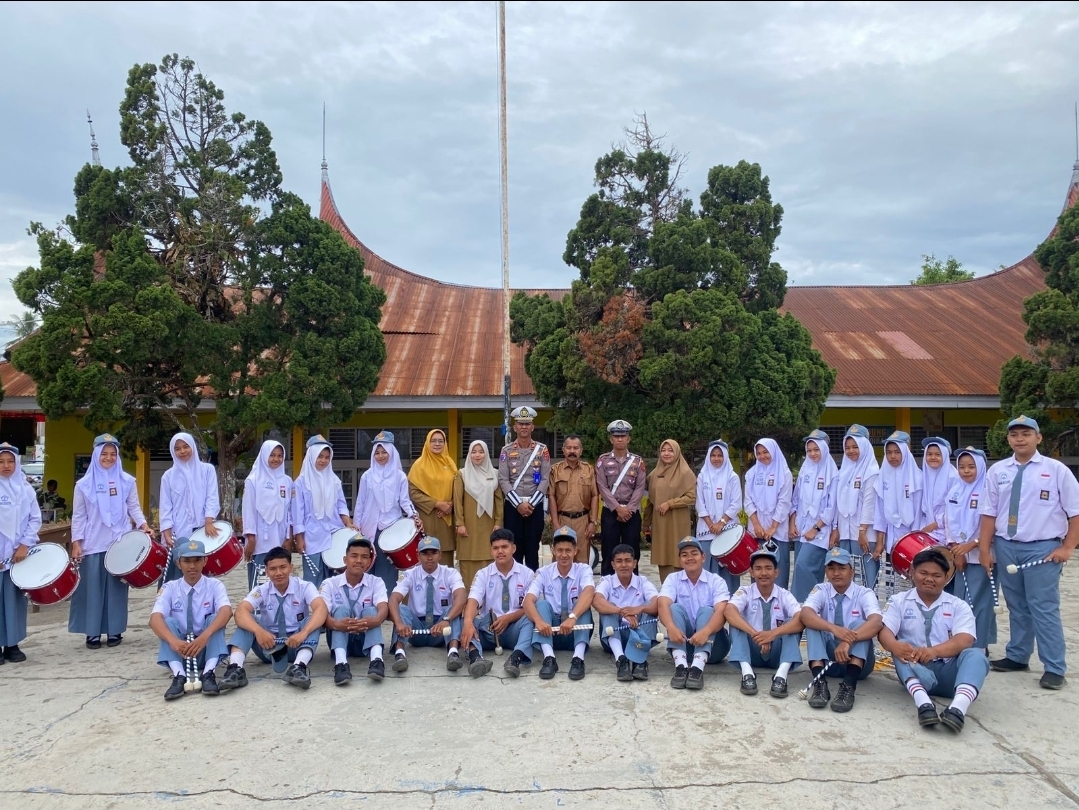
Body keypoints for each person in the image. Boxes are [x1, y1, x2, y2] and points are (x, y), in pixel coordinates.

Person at [979, 415, 1079, 690]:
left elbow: (1075, 512)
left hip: (1043, 548)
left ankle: (1054, 666)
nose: (1020, 439)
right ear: (1008, 439)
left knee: (1043, 607)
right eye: (1014, 435)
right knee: (1017, 605)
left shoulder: (1056, 470)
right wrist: (985, 549)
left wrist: (1067, 547)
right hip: (1007, 545)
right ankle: (1018, 655)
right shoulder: (998, 470)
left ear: (1038, 437)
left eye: (1026, 433)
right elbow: (988, 513)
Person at [878, 546, 990, 732]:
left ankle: (957, 710)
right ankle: (924, 705)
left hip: (949, 672)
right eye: (923, 573)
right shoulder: (898, 601)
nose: (929, 579)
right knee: (901, 651)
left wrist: (933, 652)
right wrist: (894, 645)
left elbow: (965, 639)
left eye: (937, 575)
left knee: (977, 655)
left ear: (947, 578)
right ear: (912, 572)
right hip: (915, 670)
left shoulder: (958, 605)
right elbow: (885, 631)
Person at [69, 433, 153, 649]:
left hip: (119, 543)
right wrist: (77, 542)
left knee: (116, 589)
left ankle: (115, 630)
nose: (108, 458)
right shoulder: (84, 485)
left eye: (112, 454)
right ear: (96, 454)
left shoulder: (127, 481)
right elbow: (78, 515)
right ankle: (92, 632)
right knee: (93, 589)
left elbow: (134, 506)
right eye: (104, 454)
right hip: (93, 542)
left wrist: (143, 525)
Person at [220, 546, 328, 691]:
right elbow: (240, 612)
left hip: (296, 644)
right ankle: (235, 669)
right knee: (247, 621)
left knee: (311, 622)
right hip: (268, 646)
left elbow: (321, 608)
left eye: (283, 567)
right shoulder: (261, 590)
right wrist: (259, 631)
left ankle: (299, 667)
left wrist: (303, 633)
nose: (278, 573)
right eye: (273, 569)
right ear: (267, 570)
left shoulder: (304, 587)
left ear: (291, 567)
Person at [799, 546, 883, 713]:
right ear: (826, 571)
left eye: (842, 568)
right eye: (831, 568)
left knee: (860, 624)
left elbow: (876, 622)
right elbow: (805, 614)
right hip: (828, 659)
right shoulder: (821, 589)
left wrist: (847, 640)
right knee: (815, 624)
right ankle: (819, 682)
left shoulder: (864, 593)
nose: (836, 573)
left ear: (852, 571)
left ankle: (848, 686)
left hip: (858, 663)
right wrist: (834, 629)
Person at [149, 539, 232, 700]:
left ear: (205, 561)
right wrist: (173, 641)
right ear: (178, 563)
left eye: (197, 560)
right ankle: (179, 675)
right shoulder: (169, 587)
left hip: (205, 648)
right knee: (168, 622)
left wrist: (205, 636)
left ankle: (208, 673)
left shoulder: (214, 585)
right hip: (180, 650)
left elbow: (227, 611)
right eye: (187, 561)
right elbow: (154, 619)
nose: (192, 566)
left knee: (215, 619)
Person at [724, 548, 803, 698]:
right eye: (758, 568)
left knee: (791, 623)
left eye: (768, 568)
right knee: (737, 622)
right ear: (751, 573)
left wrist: (772, 634)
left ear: (776, 572)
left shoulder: (784, 594)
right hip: (752, 649)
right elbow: (729, 611)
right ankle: (747, 674)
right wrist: (757, 635)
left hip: (778, 653)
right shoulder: (745, 591)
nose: (764, 573)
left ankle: (781, 676)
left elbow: (801, 619)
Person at [459, 528, 536, 678]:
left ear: (513, 548)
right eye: (495, 548)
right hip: (490, 629)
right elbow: (473, 600)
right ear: (491, 551)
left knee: (530, 619)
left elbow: (529, 606)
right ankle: (476, 658)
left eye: (504, 547)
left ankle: (515, 658)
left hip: (514, 629)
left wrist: (509, 618)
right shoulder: (483, 574)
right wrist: (468, 623)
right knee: (467, 619)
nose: (500, 551)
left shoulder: (527, 574)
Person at [658, 537, 732, 690]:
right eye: (684, 555)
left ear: (703, 557)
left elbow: (722, 611)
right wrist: (671, 627)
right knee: (674, 608)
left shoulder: (716, 581)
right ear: (679, 559)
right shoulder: (673, 579)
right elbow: (662, 604)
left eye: (694, 553)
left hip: (714, 648)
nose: (689, 558)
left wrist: (706, 631)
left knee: (707, 611)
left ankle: (697, 668)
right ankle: (681, 667)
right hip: (683, 645)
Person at [354, 431, 422, 595]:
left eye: (384, 452)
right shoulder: (367, 476)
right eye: (377, 452)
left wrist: (414, 515)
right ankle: (367, 610)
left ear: (391, 453)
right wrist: (356, 526)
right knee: (366, 567)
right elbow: (360, 503)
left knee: (387, 572)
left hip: (391, 528)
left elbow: (404, 500)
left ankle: (386, 610)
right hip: (369, 528)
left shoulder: (400, 476)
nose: (380, 456)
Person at [523, 526, 595, 681]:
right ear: (552, 550)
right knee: (541, 604)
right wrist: (539, 621)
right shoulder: (543, 572)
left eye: (568, 550)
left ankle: (578, 658)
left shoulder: (584, 570)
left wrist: (573, 617)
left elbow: (589, 592)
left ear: (575, 551)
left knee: (584, 607)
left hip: (575, 630)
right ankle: (549, 658)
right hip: (551, 631)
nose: (564, 555)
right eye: (560, 550)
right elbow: (528, 601)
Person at [944, 447, 996, 652]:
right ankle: (966, 640)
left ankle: (979, 647)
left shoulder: (988, 490)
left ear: (981, 467)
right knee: (963, 602)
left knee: (980, 603)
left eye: (971, 467)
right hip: (960, 555)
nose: (966, 471)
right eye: (962, 467)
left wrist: (972, 545)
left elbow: (991, 523)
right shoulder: (955, 489)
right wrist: (955, 549)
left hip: (981, 554)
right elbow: (949, 521)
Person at [388, 536, 467, 673]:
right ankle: (399, 654)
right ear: (418, 555)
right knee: (401, 609)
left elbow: (461, 596)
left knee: (452, 609)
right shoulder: (410, 574)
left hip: (442, 629)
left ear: (440, 555)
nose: (429, 557)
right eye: (425, 553)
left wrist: (446, 620)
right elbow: (394, 598)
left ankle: (453, 653)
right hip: (415, 630)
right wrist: (399, 623)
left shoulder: (450, 573)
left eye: (433, 553)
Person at [319, 536, 389, 684]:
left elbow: (383, 607)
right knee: (341, 610)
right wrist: (337, 624)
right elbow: (321, 614)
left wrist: (375, 620)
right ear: (345, 559)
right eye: (354, 556)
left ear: (369, 561)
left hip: (365, 636)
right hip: (339, 635)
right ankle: (341, 664)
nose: (359, 560)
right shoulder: (329, 583)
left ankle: (377, 660)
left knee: (371, 611)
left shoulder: (376, 582)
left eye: (364, 557)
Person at [292, 434, 354, 588]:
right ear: (311, 456)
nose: (323, 460)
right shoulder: (300, 483)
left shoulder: (334, 480)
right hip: (312, 536)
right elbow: (297, 513)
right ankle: (313, 610)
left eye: (327, 457)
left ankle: (331, 610)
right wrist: (299, 538)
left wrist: (348, 522)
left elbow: (341, 505)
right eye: (320, 456)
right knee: (312, 578)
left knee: (334, 578)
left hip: (334, 533)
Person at [159, 432, 221, 584]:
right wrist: (166, 532)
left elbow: (211, 497)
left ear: (192, 446)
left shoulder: (207, 470)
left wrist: (208, 521)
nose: (182, 451)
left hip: (202, 529)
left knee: (201, 570)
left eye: (186, 446)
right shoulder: (168, 476)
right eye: (178, 448)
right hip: (179, 531)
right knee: (177, 574)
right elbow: (165, 506)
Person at [592, 543, 660, 681]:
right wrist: (622, 611)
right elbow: (597, 601)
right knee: (608, 608)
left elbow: (658, 605)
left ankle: (639, 662)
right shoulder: (607, 581)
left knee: (649, 607)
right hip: (613, 636)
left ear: (634, 563)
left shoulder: (643, 582)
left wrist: (639, 609)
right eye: (619, 561)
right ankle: (621, 660)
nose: (624, 565)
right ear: (613, 564)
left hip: (638, 634)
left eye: (628, 561)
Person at [0, 443, 42, 663]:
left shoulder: (25, 489)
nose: (6, 466)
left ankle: (12, 644)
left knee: (14, 601)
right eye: (1, 461)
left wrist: (24, 545)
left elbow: (35, 519)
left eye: (10, 461)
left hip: (18, 556)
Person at [497, 407, 551, 571]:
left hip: (534, 506)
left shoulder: (542, 450)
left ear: (533, 427)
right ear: (515, 427)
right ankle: (516, 586)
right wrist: (518, 504)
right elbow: (503, 479)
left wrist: (532, 504)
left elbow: (545, 479)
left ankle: (532, 588)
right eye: (521, 424)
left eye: (527, 424)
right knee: (515, 546)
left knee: (533, 547)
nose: (524, 427)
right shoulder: (506, 451)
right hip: (513, 506)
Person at [789, 430, 838, 601]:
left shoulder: (832, 473)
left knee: (804, 567)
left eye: (816, 449)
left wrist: (816, 528)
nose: (812, 454)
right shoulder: (805, 471)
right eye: (809, 450)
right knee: (804, 569)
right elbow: (795, 499)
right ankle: (811, 608)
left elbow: (832, 507)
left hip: (819, 532)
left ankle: (802, 607)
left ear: (824, 449)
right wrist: (792, 522)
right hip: (801, 530)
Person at [595, 420, 647, 576]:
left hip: (632, 513)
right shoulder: (603, 460)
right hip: (611, 512)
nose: (619, 439)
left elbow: (640, 487)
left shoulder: (637, 461)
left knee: (633, 551)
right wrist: (617, 508)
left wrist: (628, 509)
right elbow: (602, 486)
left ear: (628, 438)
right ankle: (606, 587)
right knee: (608, 550)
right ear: (611, 439)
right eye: (616, 436)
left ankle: (634, 586)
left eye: (623, 436)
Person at [833, 424, 881, 590]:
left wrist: (862, 531)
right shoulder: (844, 471)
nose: (851, 451)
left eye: (855, 447)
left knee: (867, 578)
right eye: (847, 448)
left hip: (865, 535)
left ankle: (869, 611)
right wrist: (837, 528)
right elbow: (839, 503)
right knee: (848, 576)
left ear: (864, 447)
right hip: (846, 533)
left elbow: (870, 503)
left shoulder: (872, 471)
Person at [643, 439, 697, 584]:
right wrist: (646, 523)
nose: (666, 453)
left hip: (678, 521)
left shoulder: (685, 473)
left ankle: (683, 591)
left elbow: (691, 498)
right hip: (660, 522)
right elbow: (650, 500)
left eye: (670, 450)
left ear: (677, 452)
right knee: (663, 556)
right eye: (663, 450)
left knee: (679, 555)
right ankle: (667, 592)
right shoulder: (654, 474)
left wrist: (670, 503)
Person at [241, 440, 292, 591]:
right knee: (260, 583)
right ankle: (257, 614)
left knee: (280, 580)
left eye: (280, 455)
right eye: (272, 455)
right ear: (264, 456)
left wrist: (289, 538)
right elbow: (248, 510)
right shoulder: (253, 480)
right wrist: (250, 538)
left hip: (280, 540)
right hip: (260, 542)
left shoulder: (287, 481)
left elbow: (289, 511)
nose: (276, 459)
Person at [453, 440, 504, 591]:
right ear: (469, 454)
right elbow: (457, 501)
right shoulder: (461, 474)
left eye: (481, 452)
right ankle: (469, 604)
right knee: (468, 564)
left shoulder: (494, 474)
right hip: (468, 526)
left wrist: (498, 522)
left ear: (486, 453)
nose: (477, 455)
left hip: (489, 525)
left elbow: (499, 501)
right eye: (473, 452)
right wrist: (459, 523)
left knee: (490, 559)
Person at [744, 438, 794, 589]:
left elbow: (784, 502)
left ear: (773, 451)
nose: (762, 456)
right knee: (758, 571)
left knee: (779, 571)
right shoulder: (751, 474)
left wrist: (773, 527)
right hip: (757, 532)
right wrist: (757, 525)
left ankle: (780, 609)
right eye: (758, 453)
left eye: (765, 452)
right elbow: (748, 501)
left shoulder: (784, 473)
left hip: (777, 532)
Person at [695, 439, 744, 593]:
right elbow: (699, 503)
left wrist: (721, 523)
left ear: (725, 457)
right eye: (713, 455)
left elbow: (736, 503)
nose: (716, 459)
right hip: (706, 530)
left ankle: (730, 604)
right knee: (707, 567)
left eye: (720, 455)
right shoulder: (702, 476)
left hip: (727, 529)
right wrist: (711, 525)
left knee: (728, 567)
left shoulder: (732, 477)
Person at [408, 429, 458, 568]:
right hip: (428, 518)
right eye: (433, 441)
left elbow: (458, 489)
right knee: (426, 555)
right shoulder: (419, 465)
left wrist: (450, 505)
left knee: (446, 561)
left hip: (446, 519)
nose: (437, 444)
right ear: (427, 443)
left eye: (440, 441)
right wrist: (437, 504)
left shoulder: (450, 464)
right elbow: (413, 493)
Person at [548, 435, 599, 566]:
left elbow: (594, 495)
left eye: (575, 448)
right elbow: (551, 496)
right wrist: (554, 522)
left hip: (583, 521)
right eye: (569, 448)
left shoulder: (589, 470)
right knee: (561, 560)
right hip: (562, 520)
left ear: (581, 450)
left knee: (582, 562)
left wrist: (593, 521)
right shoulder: (555, 470)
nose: (572, 451)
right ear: (563, 450)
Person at [920, 437, 959, 545]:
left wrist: (934, 525)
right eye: (929, 454)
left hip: (949, 533)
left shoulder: (953, 477)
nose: (933, 457)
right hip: (927, 532)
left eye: (938, 454)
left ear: (945, 455)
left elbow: (954, 509)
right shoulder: (923, 476)